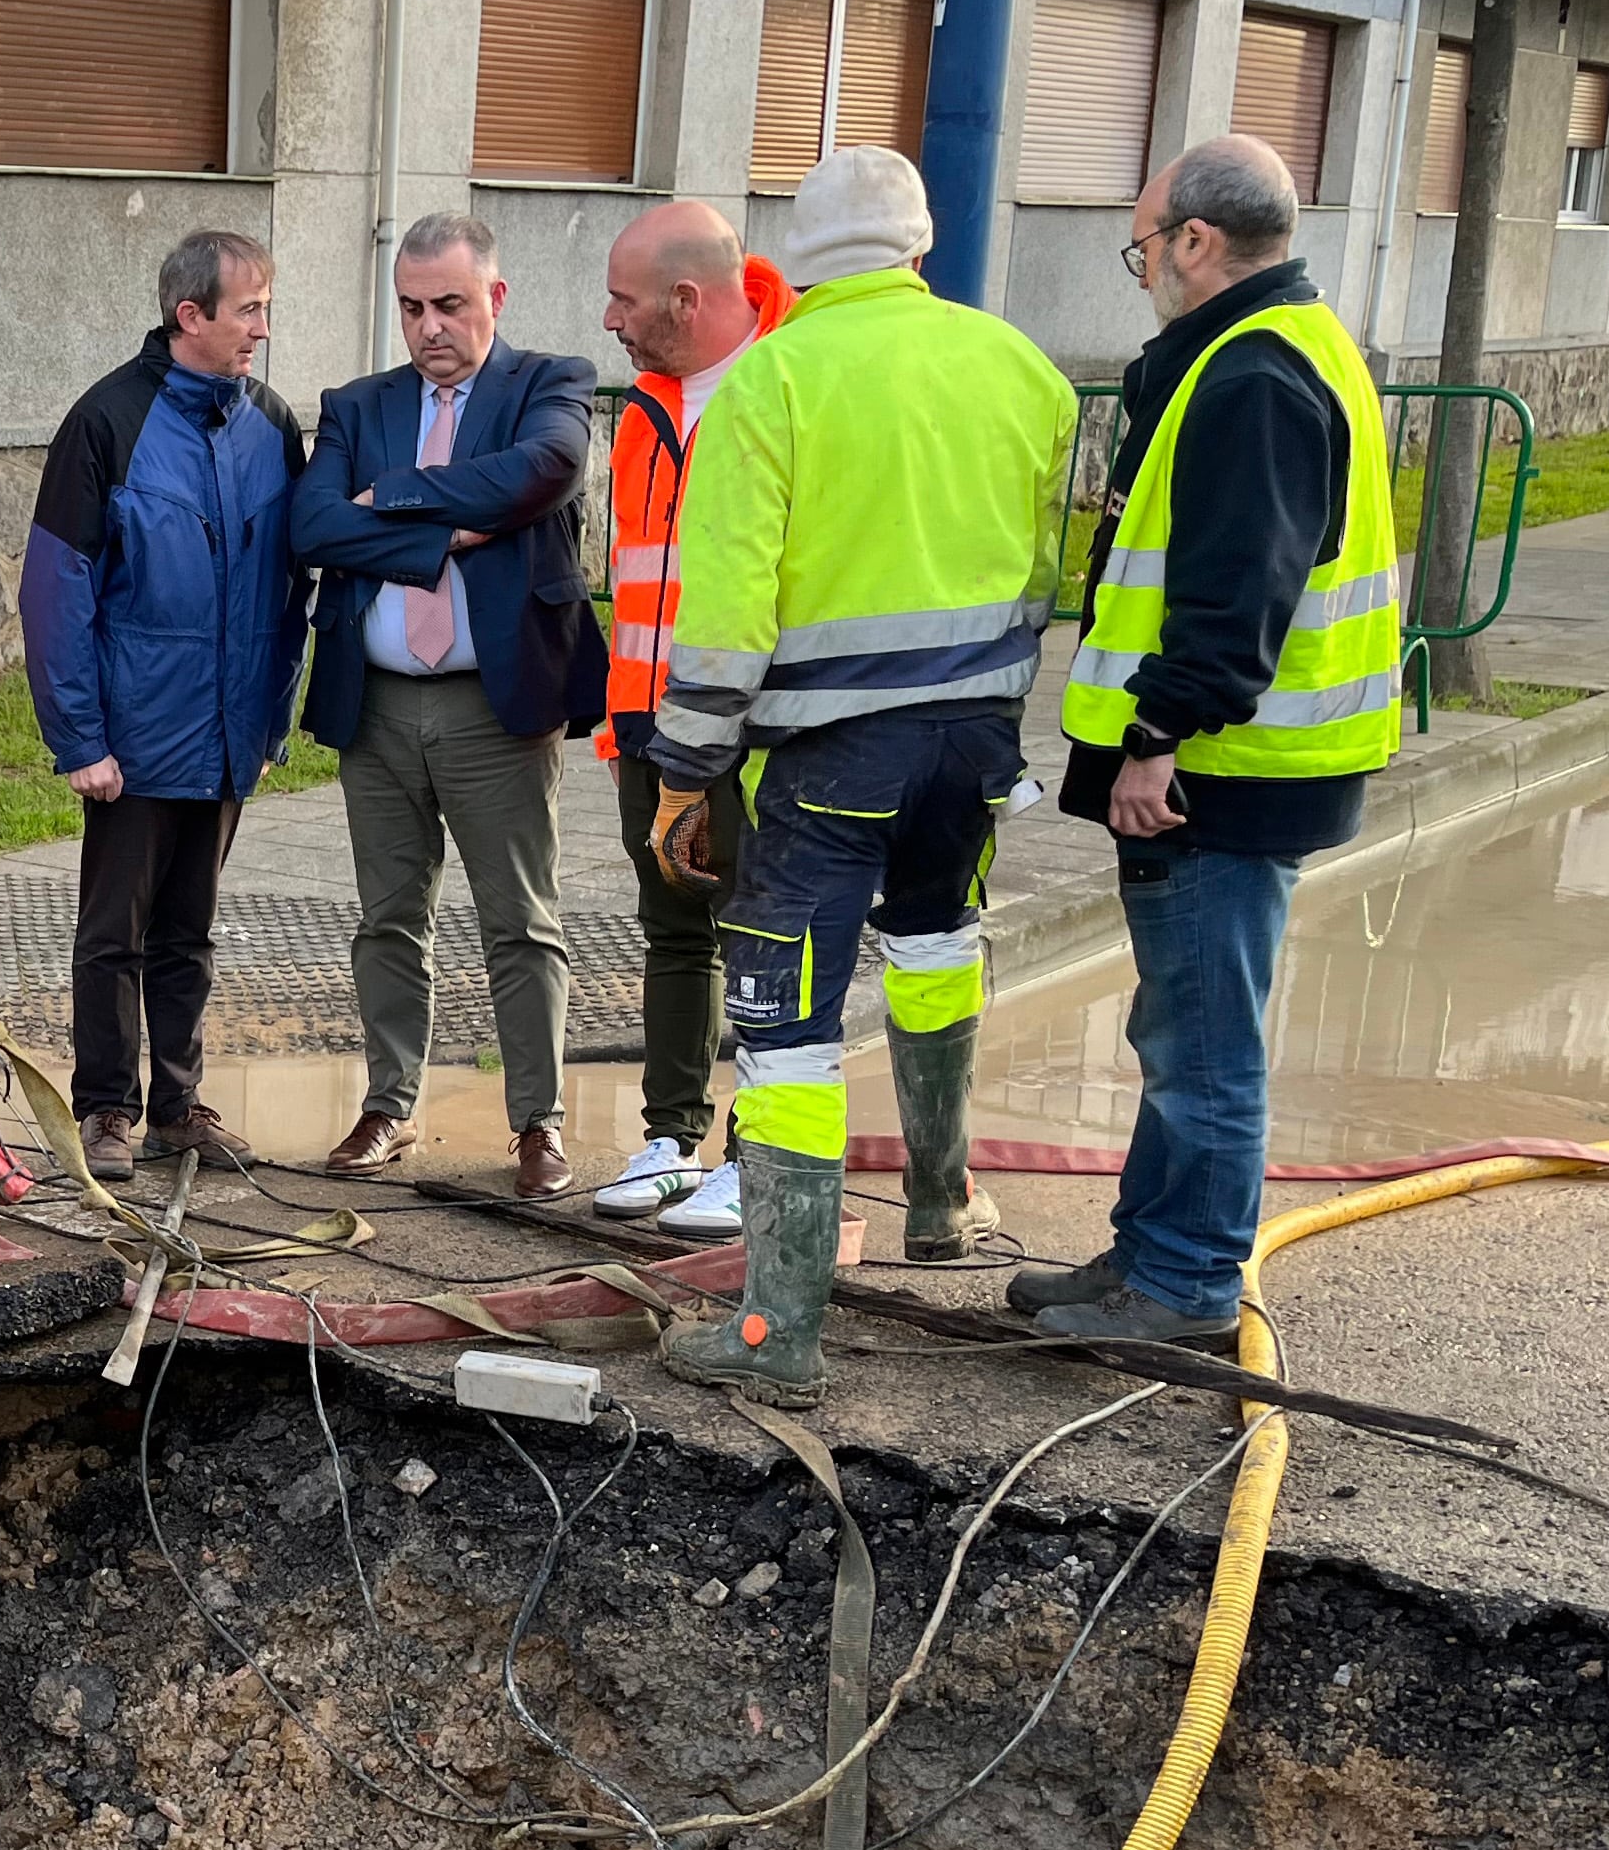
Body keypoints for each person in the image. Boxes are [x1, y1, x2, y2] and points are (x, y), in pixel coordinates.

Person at [645, 147, 1080, 1407]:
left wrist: (687, 772)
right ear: (918, 247)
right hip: (977, 739)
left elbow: (724, 615)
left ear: (801, 256)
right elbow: (1047, 553)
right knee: (939, 940)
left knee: (785, 1019)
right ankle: (942, 1203)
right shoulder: (1022, 368)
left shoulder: (774, 381)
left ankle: (779, 1333)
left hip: (835, 755)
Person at [1028, 136, 1401, 1347]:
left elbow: (1237, 591)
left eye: (1144, 246)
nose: (1142, 270)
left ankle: (1183, 1280)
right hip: (1245, 767)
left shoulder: (1250, 372)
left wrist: (1155, 737)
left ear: (1196, 239)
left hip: (1218, 776)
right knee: (1181, 1021)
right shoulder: (1290, 345)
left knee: (1202, 1037)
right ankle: (1149, 1245)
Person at [288, 214, 608, 1187]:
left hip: (494, 707)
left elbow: (544, 473)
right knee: (389, 917)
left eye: (451, 305)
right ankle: (387, 1107)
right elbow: (313, 524)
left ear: (495, 298)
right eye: (411, 307)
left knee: (520, 919)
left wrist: (392, 500)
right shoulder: (357, 404)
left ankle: (537, 1124)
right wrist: (447, 532)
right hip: (378, 704)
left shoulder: (549, 383)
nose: (429, 326)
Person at [19, 228, 312, 1179]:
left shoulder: (271, 425)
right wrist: (79, 738)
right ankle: (108, 1108)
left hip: (228, 736)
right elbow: (55, 591)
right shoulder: (107, 421)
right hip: (134, 739)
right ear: (192, 316)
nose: (262, 327)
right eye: (250, 309)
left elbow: (286, 588)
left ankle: (178, 1106)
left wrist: (269, 720)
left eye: (265, 307)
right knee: (116, 935)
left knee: (192, 931)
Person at [591, 200, 795, 1243]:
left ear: (685, 297)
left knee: (764, 933)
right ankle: (672, 1136)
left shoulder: (786, 384)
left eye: (625, 300)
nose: (611, 320)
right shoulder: (643, 408)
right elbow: (642, 586)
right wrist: (630, 722)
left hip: (759, 728)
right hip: (655, 720)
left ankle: (756, 1149)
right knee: (673, 929)